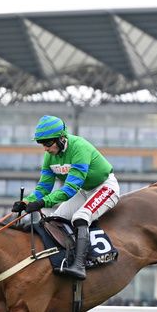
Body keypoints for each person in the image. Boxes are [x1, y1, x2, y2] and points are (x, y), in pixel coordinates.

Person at [12, 115, 120, 279]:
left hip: (105, 187)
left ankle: (79, 265)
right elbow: (44, 187)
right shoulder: (49, 156)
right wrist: (27, 201)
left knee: (81, 217)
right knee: (54, 219)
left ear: (62, 139)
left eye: (48, 143)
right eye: (41, 143)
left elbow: (69, 189)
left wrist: (42, 202)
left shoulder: (79, 147)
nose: (45, 148)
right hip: (83, 191)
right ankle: (64, 258)